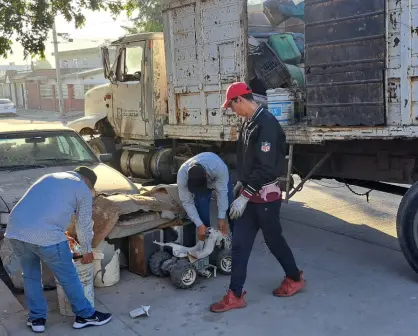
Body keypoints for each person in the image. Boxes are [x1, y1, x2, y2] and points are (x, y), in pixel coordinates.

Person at [210, 82, 305, 313]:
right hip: (250, 195)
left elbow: (265, 168)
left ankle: (294, 277)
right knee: (240, 246)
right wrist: (241, 184)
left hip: (266, 199)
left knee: (275, 241)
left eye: (232, 107)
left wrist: (245, 196)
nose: (233, 111)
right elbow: (247, 161)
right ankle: (235, 295)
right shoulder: (249, 123)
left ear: (240, 100)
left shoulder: (267, 124)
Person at [5, 167, 112, 333]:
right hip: (46, 236)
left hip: (15, 231)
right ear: (87, 182)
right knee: (68, 276)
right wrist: (86, 250)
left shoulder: (49, 177)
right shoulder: (82, 188)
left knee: (31, 276)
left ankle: (37, 319)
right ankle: (85, 315)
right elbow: (83, 225)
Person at [177, 152, 234, 240]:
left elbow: (222, 194)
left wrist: (221, 218)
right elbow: (186, 201)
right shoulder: (182, 175)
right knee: (202, 204)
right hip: (204, 176)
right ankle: (207, 234)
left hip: (216, 174)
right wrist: (199, 224)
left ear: (206, 175)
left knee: (229, 203)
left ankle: (236, 234)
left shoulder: (219, 168)